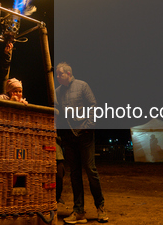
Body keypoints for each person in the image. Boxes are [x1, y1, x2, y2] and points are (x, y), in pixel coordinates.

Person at [55, 62, 108, 224]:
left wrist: (88, 126)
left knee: (91, 171)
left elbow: (93, 106)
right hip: (68, 138)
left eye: (60, 74)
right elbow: (57, 113)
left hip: (84, 135)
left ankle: (100, 208)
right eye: (57, 74)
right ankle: (79, 212)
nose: (57, 77)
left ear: (69, 74)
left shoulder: (82, 86)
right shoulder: (57, 92)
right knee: (75, 174)